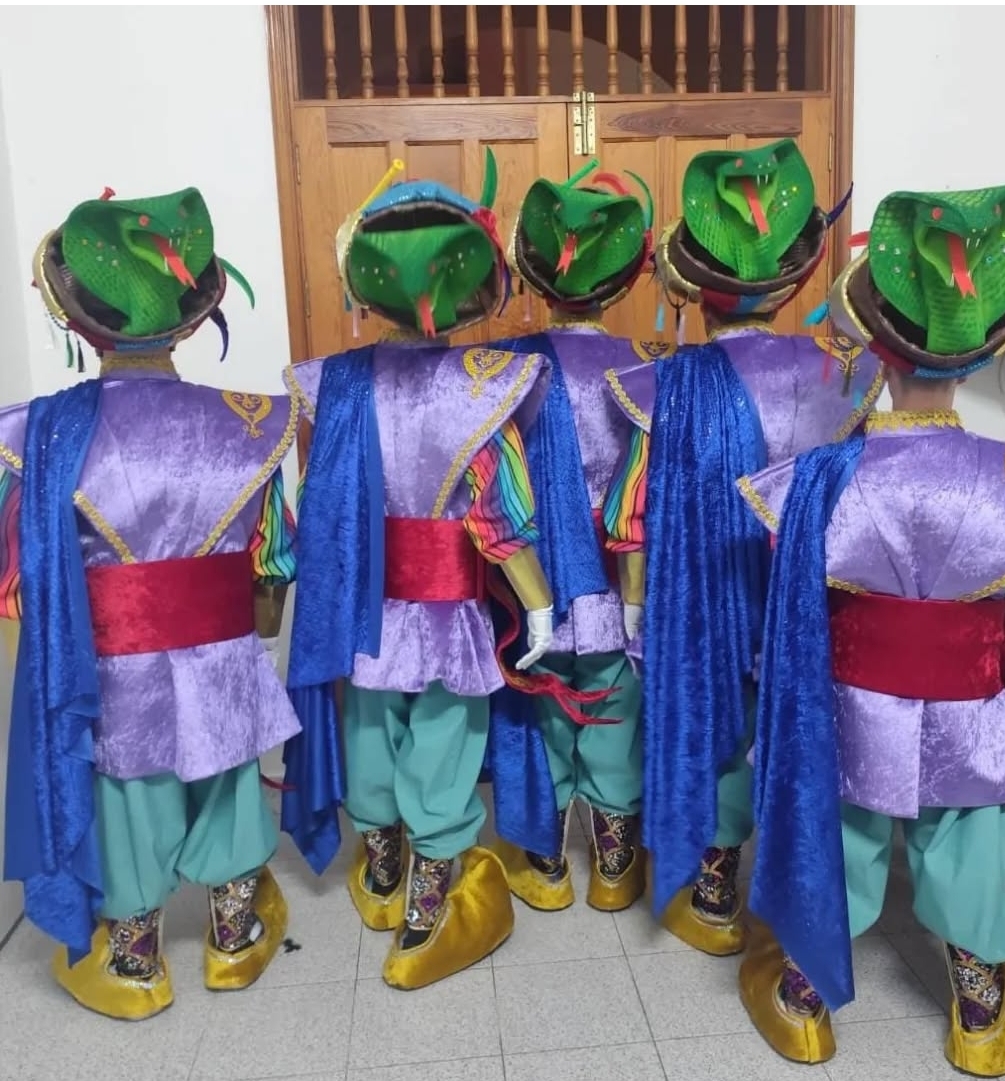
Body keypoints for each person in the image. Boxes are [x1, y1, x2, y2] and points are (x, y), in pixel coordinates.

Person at [737, 179, 1005, 1075]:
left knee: (845, 840)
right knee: (964, 846)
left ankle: (804, 1000)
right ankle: (979, 1009)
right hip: (966, 700)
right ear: (981, 356)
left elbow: (795, 599)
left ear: (875, 353)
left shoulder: (819, 475)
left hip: (853, 704)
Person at [0, 186, 299, 1019]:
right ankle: (234, 940)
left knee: (129, 798)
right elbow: (273, 560)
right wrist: (255, 638)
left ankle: (135, 963)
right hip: (226, 649)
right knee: (229, 781)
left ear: (77, 320)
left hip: (113, 661)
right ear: (194, 317)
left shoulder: (39, 433)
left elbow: (18, 584)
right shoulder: (250, 422)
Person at [282, 155, 574, 990]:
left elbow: (329, 502)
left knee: (370, 732)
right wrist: (539, 607)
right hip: (447, 616)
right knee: (443, 748)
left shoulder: (337, 384)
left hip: (366, 609)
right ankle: (426, 903)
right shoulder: (481, 387)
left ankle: (380, 871)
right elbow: (498, 520)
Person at [603, 139, 883, 955]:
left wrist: (634, 610)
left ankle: (716, 883)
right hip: (814, 606)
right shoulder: (847, 376)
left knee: (722, 733)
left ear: (694, 286)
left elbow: (631, 512)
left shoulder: (665, 382)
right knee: (803, 733)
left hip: (707, 604)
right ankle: (801, 899)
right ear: (794, 281)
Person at [487, 159, 670, 914]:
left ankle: (546, 860)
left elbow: (485, 488)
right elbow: (653, 491)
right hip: (619, 582)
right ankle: (615, 864)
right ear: (625, 279)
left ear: (529, 272)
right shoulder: (649, 369)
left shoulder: (499, 370)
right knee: (613, 707)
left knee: (539, 709)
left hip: (525, 577)